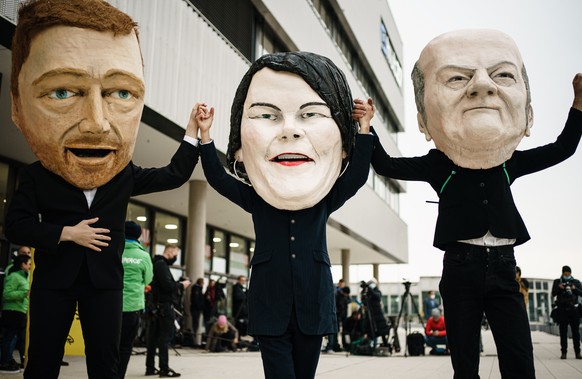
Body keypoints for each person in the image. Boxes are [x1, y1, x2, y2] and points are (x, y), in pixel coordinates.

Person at [360, 29, 582, 378]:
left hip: (504, 267)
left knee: (519, 358)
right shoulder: (439, 164)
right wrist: (367, 129)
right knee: (464, 362)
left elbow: (562, 149)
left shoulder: (508, 163)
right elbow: (386, 165)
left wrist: (578, 106)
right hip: (461, 266)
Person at [4, 1, 202, 378]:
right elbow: (15, 225)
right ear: (17, 107)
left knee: (106, 365)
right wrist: (65, 233)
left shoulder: (122, 174)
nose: (96, 124)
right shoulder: (36, 176)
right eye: (63, 91)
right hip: (54, 282)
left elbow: (174, 175)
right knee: (42, 362)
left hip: (105, 284)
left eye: (120, 94)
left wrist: (192, 132)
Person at [195, 51, 373, 379]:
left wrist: (364, 129)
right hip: (270, 306)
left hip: (312, 306)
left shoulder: (322, 199)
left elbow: (358, 176)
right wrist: (205, 137)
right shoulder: (258, 198)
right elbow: (219, 179)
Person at [146, 245, 191, 377]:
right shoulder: (161, 265)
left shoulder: (155, 263)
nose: (175, 257)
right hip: (164, 307)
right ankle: (163, 368)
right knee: (164, 338)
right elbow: (168, 286)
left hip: (156, 306)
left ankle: (150, 367)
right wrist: (181, 285)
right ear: (169, 252)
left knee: (153, 338)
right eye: (175, 254)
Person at [118, 221, 153, 378]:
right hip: (132, 307)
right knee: (125, 346)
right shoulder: (143, 256)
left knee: (107, 344)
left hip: (111, 305)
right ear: (138, 235)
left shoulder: (115, 250)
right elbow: (148, 279)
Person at [0, 254, 31, 373]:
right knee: (9, 337)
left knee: (18, 338)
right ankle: (5, 362)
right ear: (22, 264)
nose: (30, 266)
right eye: (28, 264)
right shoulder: (14, 276)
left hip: (21, 311)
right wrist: (24, 294)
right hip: (12, 311)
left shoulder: (25, 277)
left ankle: (13, 360)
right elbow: (6, 294)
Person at [551, 265, 582, 359]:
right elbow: (553, 293)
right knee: (563, 332)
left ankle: (578, 352)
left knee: (576, 332)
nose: (567, 275)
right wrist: (559, 288)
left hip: (574, 309)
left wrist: (574, 288)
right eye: (565, 273)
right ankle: (563, 352)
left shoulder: (576, 282)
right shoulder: (557, 282)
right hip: (562, 309)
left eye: (568, 273)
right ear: (563, 273)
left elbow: (581, 293)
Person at [362, 278, 389, 349]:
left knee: (382, 330)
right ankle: (369, 345)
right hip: (370, 314)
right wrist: (364, 291)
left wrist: (370, 290)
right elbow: (364, 301)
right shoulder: (367, 293)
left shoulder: (377, 291)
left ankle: (385, 344)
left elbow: (377, 296)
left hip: (378, 314)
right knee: (370, 330)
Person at [189, 278, 205, 347]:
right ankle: (194, 341)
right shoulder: (196, 289)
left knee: (196, 325)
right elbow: (195, 300)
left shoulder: (198, 289)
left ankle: (195, 341)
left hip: (196, 309)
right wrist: (200, 307)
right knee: (195, 325)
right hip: (195, 309)